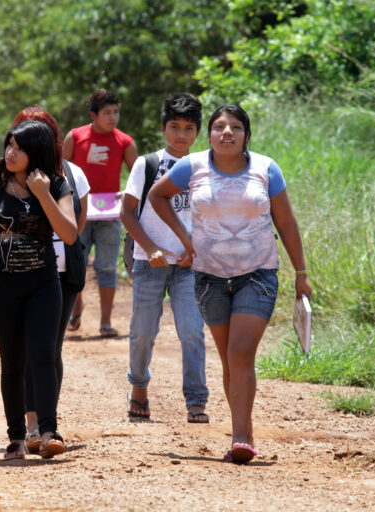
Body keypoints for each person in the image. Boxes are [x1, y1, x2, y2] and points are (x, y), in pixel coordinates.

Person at [148, 105, 312, 463]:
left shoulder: (266, 169)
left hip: (258, 274)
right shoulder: (192, 166)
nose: (227, 132)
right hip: (208, 277)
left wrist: (302, 273)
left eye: (235, 127)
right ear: (209, 134)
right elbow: (157, 196)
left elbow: (286, 223)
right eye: (219, 126)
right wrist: (185, 238)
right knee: (229, 360)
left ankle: (240, 437)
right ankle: (245, 429)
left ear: (245, 136)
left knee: (240, 353)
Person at [0, 120, 77, 459]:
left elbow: (69, 235)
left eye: (20, 148)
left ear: (37, 153)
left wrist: (42, 193)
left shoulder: (56, 185)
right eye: (8, 145)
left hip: (43, 284)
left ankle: (48, 431)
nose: (10, 153)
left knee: (43, 355)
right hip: (0, 287)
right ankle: (15, 438)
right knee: (12, 361)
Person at [120, 93, 208, 422]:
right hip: (149, 262)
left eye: (188, 128)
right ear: (163, 128)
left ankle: (197, 400)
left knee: (192, 332)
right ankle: (138, 388)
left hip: (190, 267)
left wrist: (198, 251)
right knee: (143, 331)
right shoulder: (148, 164)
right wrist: (151, 247)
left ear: (198, 132)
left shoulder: (205, 167)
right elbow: (127, 212)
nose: (181, 134)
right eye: (174, 126)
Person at [10, 107, 90, 453]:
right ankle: (33, 427)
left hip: (62, 273)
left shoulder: (73, 175)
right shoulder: (7, 176)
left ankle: (47, 425)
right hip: (21, 273)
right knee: (28, 350)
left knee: (49, 350)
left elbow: (77, 225)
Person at [63, 89, 137, 337]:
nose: (113, 117)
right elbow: (60, 173)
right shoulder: (75, 137)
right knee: (75, 266)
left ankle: (105, 322)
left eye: (116, 112)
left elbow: (138, 177)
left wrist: (128, 196)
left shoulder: (125, 142)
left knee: (106, 267)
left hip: (109, 217)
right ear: (94, 115)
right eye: (107, 112)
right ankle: (76, 307)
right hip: (78, 215)